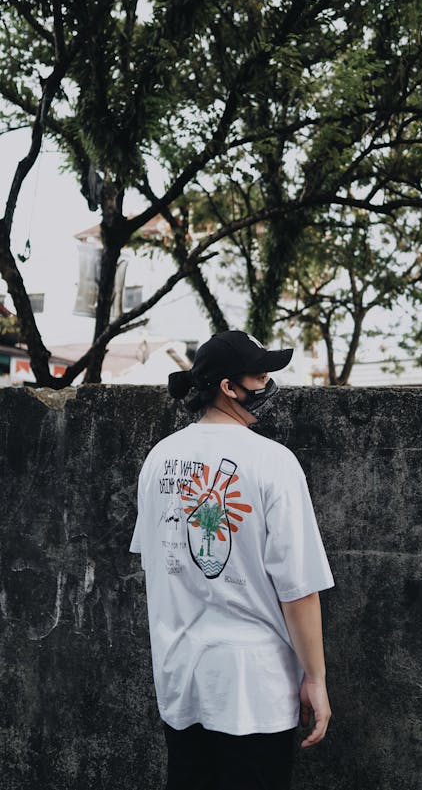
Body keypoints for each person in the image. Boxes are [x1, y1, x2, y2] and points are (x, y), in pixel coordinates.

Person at [129, 330, 334, 790]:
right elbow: (299, 589)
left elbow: (157, 565)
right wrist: (315, 680)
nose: (268, 387)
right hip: (254, 690)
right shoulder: (273, 462)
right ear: (228, 386)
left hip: (181, 682)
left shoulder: (159, 459)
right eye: (260, 376)